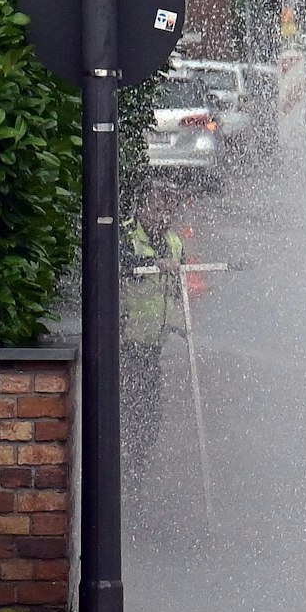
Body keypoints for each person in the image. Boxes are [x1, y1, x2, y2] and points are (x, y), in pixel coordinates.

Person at [121, 185, 185, 467]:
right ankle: (124, 461)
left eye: (169, 211)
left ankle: (140, 461)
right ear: (141, 208)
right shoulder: (125, 234)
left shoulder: (174, 242)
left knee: (149, 413)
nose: (163, 217)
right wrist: (154, 263)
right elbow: (121, 263)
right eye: (157, 210)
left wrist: (179, 322)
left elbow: (173, 289)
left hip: (152, 341)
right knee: (128, 404)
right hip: (124, 338)